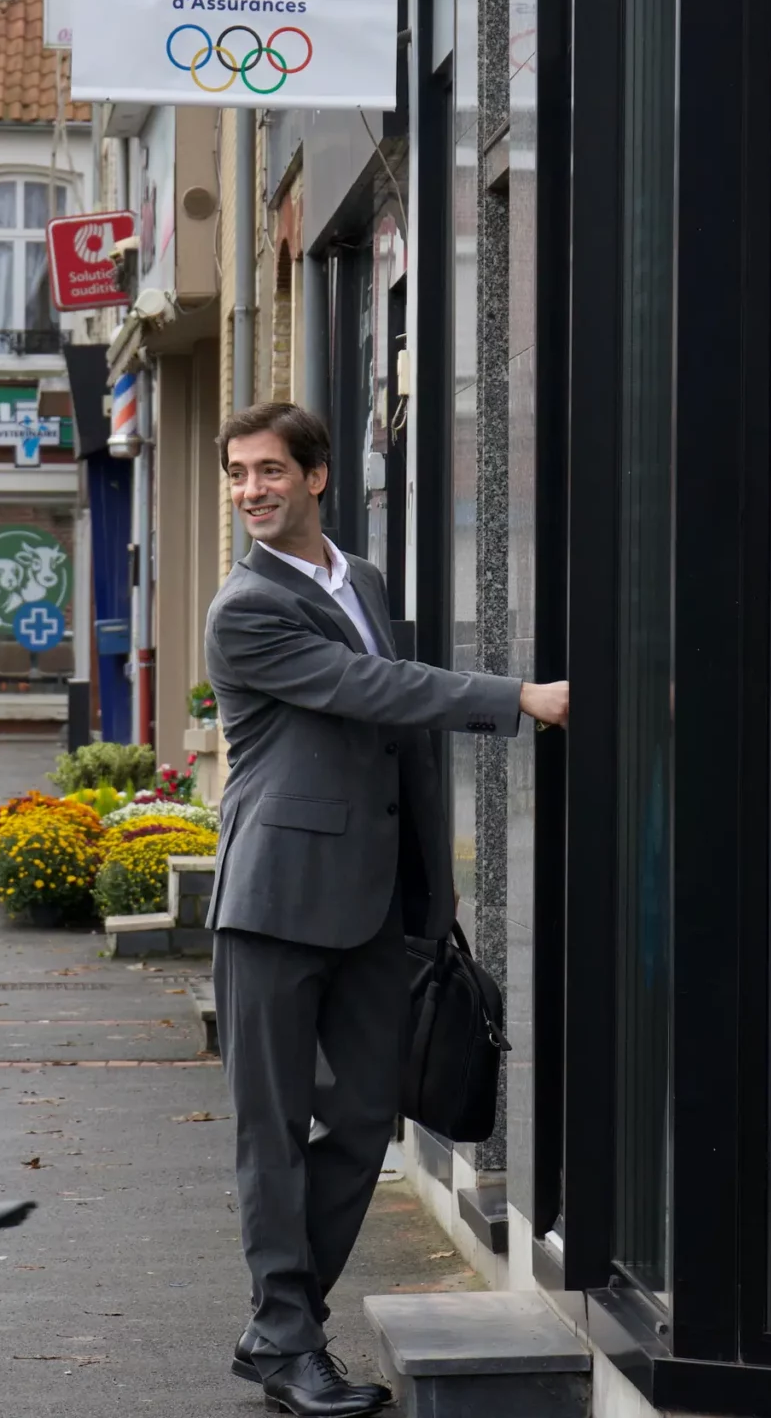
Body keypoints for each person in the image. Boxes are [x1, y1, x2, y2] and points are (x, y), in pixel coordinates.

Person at [202, 403, 569, 1418]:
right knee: (268, 1131)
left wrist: (428, 884)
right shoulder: (244, 607)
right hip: (274, 900)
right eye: (236, 475)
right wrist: (519, 697)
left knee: (366, 1117)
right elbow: (372, 689)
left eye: (269, 471)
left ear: (317, 477)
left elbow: (397, 748)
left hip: (369, 905)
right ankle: (287, 1336)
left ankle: (277, 1327)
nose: (250, 492)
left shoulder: (355, 577)